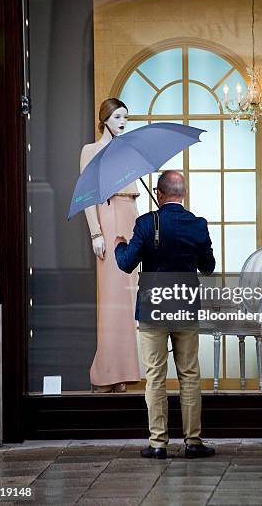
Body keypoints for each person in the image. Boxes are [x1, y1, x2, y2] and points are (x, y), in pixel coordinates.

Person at [114, 170, 216, 459]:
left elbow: (126, 263)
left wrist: (120, 243)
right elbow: (208, 267)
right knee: (190, 374)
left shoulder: (146, 223)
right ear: (181, 194)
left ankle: (158, 443)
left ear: (159, 194)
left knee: (155, 376)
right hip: (185, 304)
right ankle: (193, 441)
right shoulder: (197, 225)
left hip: (153, 307)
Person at [80, 98, 140, 393]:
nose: (122, 122)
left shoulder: (127, 149)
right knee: (111, 300)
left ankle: (123, 374)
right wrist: (95, 233)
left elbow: (134, 193)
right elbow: (87, 194)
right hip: (108, 217)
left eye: (125, 117)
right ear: (105, 118)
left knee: (128, 301)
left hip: (130, 216)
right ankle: (105, 372)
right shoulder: (90, 151)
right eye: (117, 116)